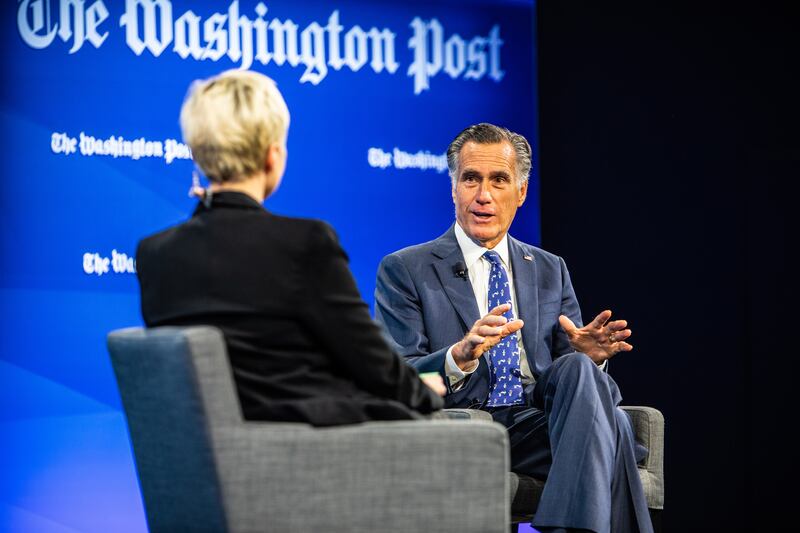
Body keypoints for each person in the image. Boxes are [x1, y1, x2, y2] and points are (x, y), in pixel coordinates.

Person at [374, 123, 654, 533]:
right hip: (468, 420)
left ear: (520, 193)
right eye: (471, 179)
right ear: (454, 188)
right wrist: (458, 357)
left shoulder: (548, 268)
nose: (483, 195)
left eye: (498, 180)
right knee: (615, 437)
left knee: (577, 372)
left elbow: (574, 383)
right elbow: (399, 378)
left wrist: (588, 358)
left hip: (540, 420)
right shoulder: (406, 269)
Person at [136, 69, 445, 426]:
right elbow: (371, 361)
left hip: (212, 454)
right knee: (465, 431)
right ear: (273, 155)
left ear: (200, 155)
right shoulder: (305, 243)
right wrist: (423, 391)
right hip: (308, 449)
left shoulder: (154, 254)